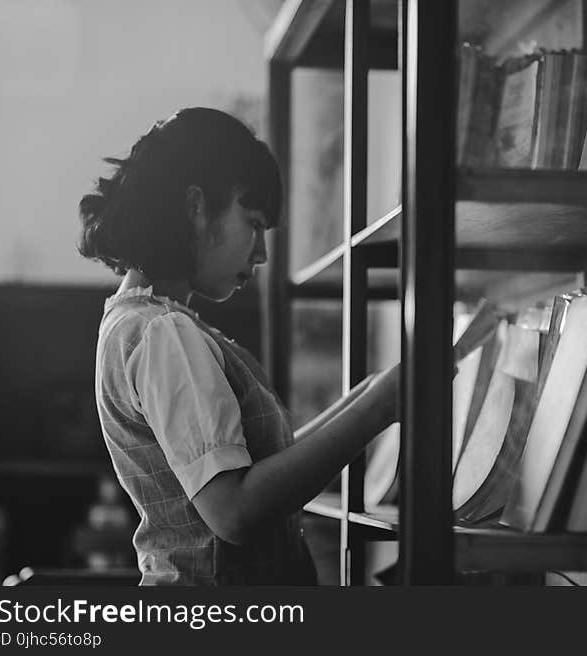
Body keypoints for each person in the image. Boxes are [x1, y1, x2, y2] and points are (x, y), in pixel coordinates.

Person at [78, 107, 398, 585]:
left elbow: (260, 466)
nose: (263, 252)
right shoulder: (165, 334)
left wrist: (372, 394)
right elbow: (234, 512)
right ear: (196, 207)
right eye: (253, 222)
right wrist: (377, 410)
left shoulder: (136, 322)